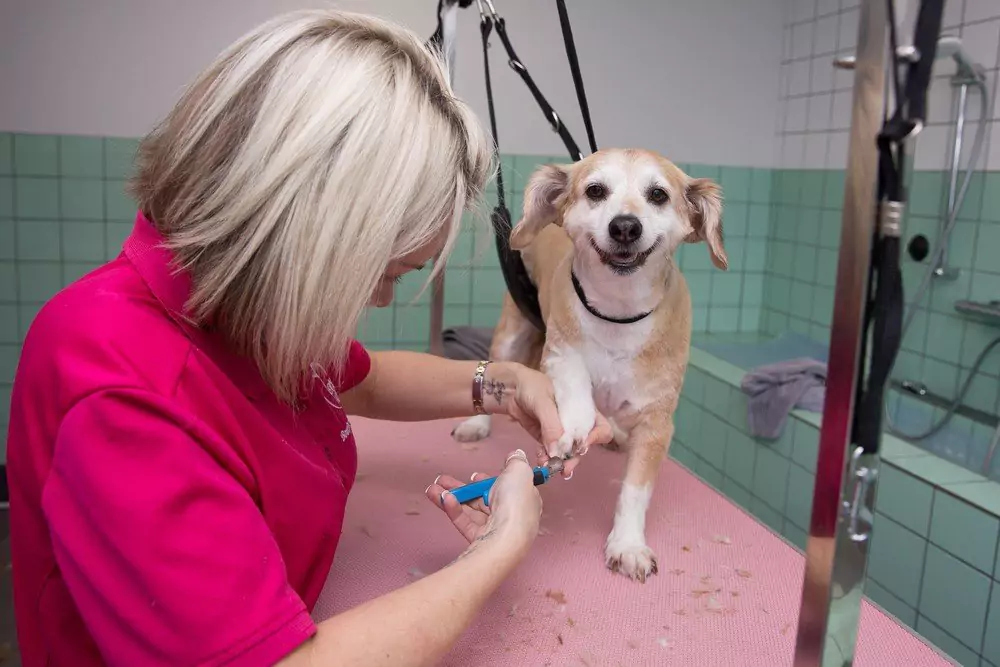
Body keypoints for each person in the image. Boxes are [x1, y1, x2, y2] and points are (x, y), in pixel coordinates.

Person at [6, 10, 612, 667]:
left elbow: (363, 377)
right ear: (293, 230)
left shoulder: (241, 307)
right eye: (382, 273)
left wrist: (502, 383)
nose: (379, 299)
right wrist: (499, 548)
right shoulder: (123, 392)